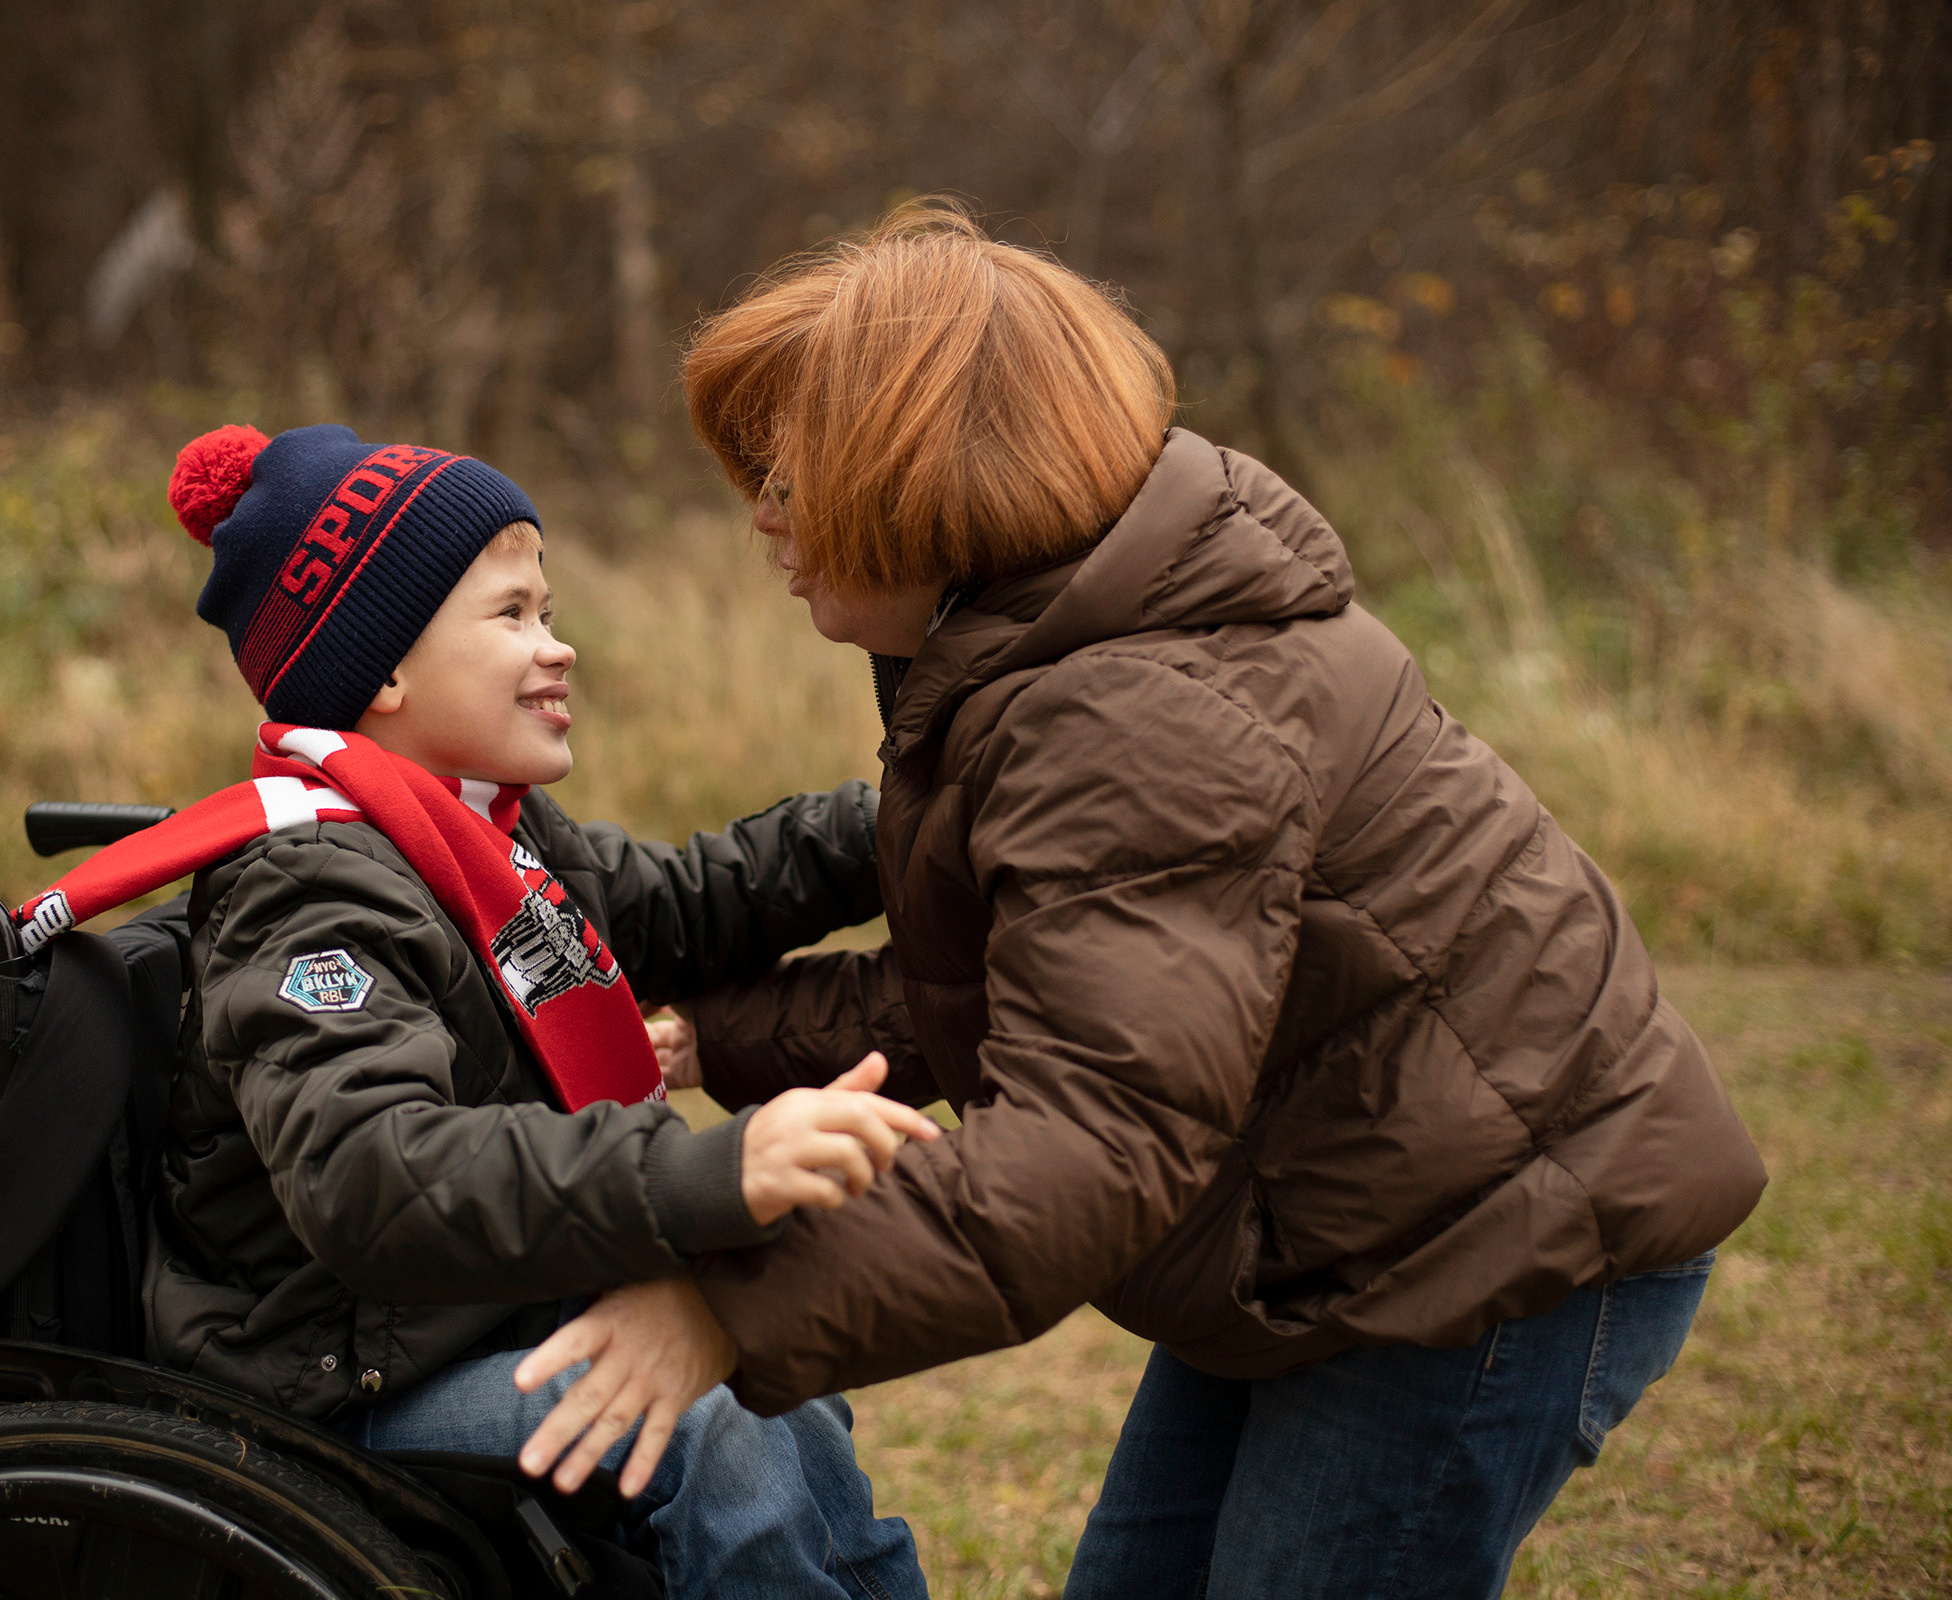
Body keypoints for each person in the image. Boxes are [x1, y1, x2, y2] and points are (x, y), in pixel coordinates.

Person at [510, 204, 1769, 1600]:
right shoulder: (1039, 650)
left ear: (918, 473)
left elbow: (1093, 1131)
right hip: (1339, 1226)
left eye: (791, 473)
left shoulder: (1139, 711)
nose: (762, 513)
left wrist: (722, 1314)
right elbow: (1016, 991)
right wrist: (715, 1034)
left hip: (1489, 1249)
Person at [147, 421, 937, 1600]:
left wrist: (900, 827)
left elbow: (688, 901)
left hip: (480, 1320)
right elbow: (371, 1170)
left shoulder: (487, 840)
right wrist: (707, 1175)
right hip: (344, 1386)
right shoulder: (309, 887)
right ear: (384, 670)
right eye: (512, 615)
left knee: (779, 1376)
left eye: (549, 610)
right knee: (704, 1422)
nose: (558, 647)